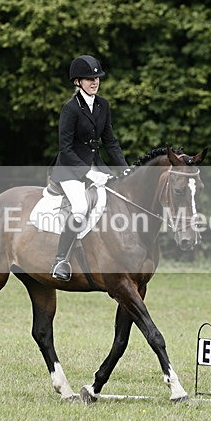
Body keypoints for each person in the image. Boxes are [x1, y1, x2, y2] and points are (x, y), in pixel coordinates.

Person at [49, 55, 129, 281]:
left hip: (97, 166)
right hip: (69, 170)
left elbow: (110, 141)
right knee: (80, 206)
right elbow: (65, 148)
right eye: (89, 78)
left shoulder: (103, 105)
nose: (95, 82)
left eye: (97, 78)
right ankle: (61, 260)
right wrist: (88, 172)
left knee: (118, 200)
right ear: (77, 82)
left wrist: (124, 169)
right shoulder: (70, 109)